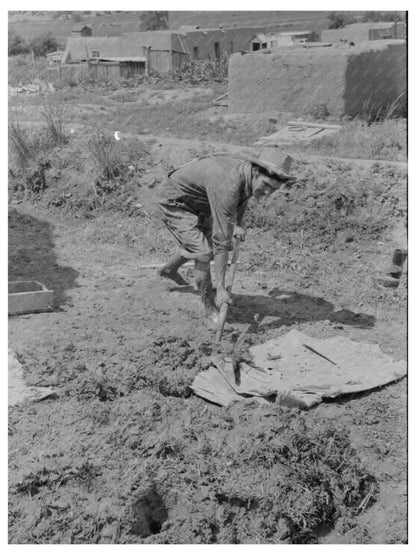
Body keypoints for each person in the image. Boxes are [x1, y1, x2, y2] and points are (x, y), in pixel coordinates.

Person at [157, 147, 296, 323]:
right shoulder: (228, 183)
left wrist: (238, 223)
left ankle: (169, 269)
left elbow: (243, 195)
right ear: (255, 172)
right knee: (203, 252)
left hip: (202, 200)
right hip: (176, 201)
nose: (268, 192)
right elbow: (222, 240)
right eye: (266, 185)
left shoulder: (246, 176)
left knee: (202, 244)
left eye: (273, 189)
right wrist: (221, 288)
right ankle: (209, 306)